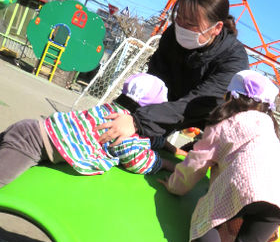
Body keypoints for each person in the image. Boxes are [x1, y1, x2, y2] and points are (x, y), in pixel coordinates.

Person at [158, 70, 280, 242]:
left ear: (230, 97)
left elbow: (197, 163)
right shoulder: (269, 128)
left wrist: (175, 186)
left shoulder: (224, 124)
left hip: (245, 190)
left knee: (204, 217)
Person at [96, 0, 249, 146]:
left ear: (217, 28)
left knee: (201, 157)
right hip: (171, 108)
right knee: (113, 128)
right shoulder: (172, 34)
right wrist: (125, 118)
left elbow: (196, 104)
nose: (181, 27)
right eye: (178, 17)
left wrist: (136, 122)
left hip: (210, 120)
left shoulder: (234, 59)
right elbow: (154, 83)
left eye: (190, 24)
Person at [0, 73, 174, 187]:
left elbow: (147, 137)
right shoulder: (124, 130)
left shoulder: (111, 110)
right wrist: (164, 163)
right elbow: (135, 160)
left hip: (31, 130)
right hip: (30, 143)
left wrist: (166, 145)